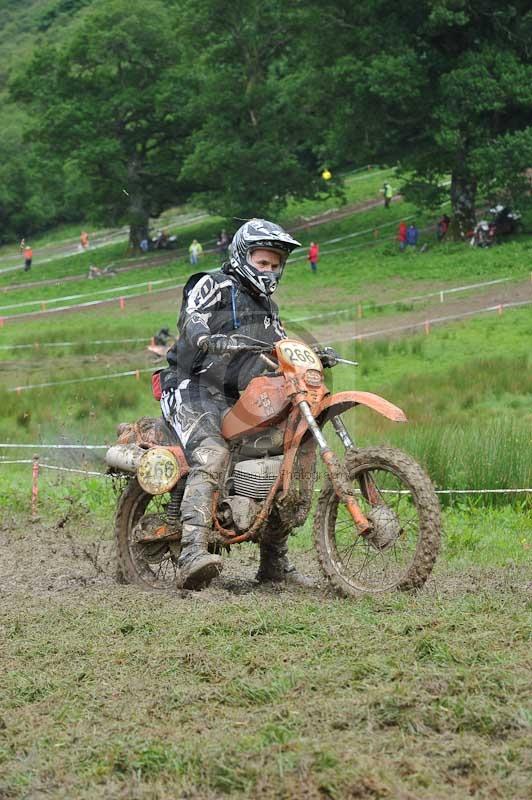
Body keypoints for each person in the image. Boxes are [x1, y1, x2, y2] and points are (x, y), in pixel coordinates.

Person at [160, 218, 313, 590]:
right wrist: (205, 337)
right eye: (263, 262)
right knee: (212, 454)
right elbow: (191, 317)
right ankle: (191, 554)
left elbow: (280, 347)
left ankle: (274, 563)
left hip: (236, 397)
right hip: (191, 386)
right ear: (244, 256)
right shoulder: (212, 284)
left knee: (282, 459)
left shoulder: (268, 307)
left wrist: (312, 356)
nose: (270, 270)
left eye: (276, 264)